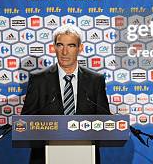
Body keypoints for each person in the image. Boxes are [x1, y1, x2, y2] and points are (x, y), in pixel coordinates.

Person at [21, 24, 110, 163]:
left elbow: (104, 120)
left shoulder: (95, 81)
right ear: (54, 47)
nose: (64, 51)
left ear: (80, 48)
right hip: (45, 156)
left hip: (85, 156)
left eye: (71, 45)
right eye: (60, 45)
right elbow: (25, 122)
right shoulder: (38, 80)